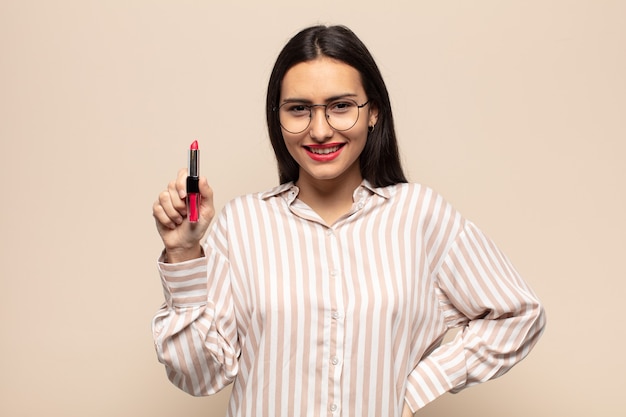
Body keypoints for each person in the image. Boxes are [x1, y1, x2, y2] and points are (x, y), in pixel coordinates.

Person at [151, 25, 546, 417]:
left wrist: (415, 391)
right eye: (299, 108)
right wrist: (184, 254)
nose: (320, 130)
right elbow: (199, 376)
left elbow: (518, 314)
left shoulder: (419, 215)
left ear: (373, 112)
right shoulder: (243, 223)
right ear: (278, 117)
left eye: (341, 106)